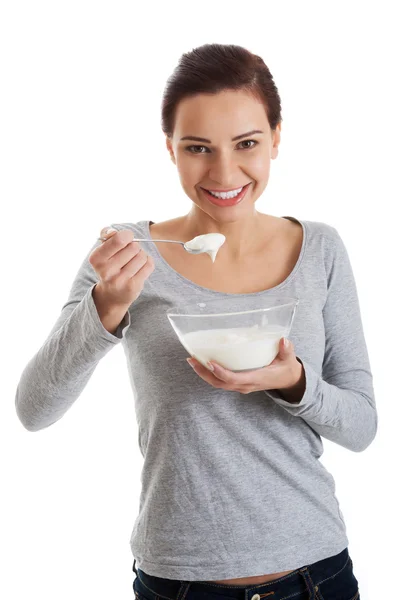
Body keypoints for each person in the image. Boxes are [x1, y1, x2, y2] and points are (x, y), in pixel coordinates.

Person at [15, 43, 375, 599]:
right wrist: (105, 310)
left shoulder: (320, 249)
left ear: (277, 138)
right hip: (178, 581)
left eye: (247, 144)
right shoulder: (127, 253)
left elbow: (362, 425)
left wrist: (293, 382)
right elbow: (33, 410)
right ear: (171, 150)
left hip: (316, 575)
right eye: (198, 148)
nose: (224, 171)